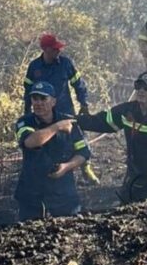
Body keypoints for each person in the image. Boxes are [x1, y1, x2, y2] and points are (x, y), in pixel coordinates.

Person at [78, 71, 147, 203]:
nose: (141, 91)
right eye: (138, 86)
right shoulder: (127, 111)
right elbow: (99, 121)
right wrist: (73, 121)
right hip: (133, 178)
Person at [23, 33, 99, 184]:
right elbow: (27, 90)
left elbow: (79, 84)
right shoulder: (34, 67)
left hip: (65, 109)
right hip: (42, 113)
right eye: (55, 48)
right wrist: (27, 111)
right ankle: (48, 171)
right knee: (45, 139)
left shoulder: (66, 64)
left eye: (59, 48)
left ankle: (86, 167)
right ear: (46, 49)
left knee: (78, 138)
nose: (59, 51)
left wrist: (83, 104)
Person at [13, 81, 92, 221]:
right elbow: (31, 142)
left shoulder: (68, 121)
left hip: (63, 190)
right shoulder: (25, 122)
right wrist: (57, 127)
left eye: (43, 98)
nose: (38, 103)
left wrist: (66, 167)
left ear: (53, 101)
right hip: (32, 191)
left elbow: (84, 152)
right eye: (35, 99)